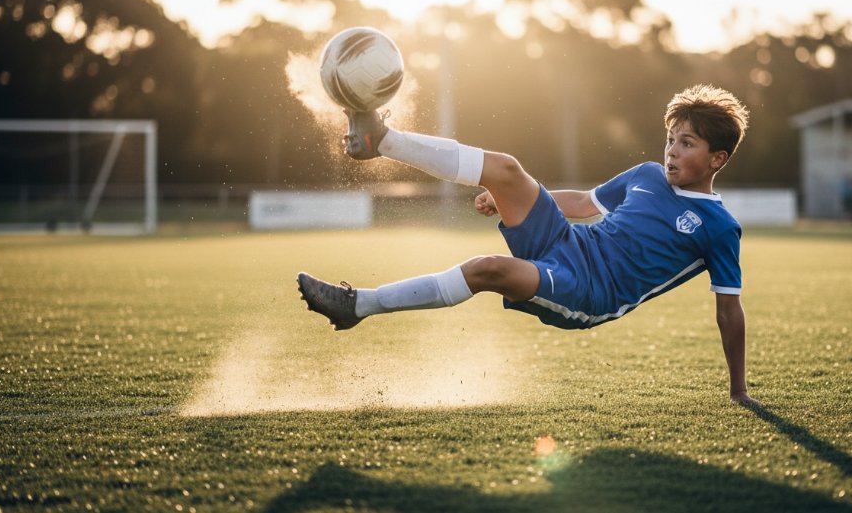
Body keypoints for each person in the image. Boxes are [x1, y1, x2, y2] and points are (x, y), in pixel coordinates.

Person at [297, 84, 759, 405]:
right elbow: (581, 202)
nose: (672, 151)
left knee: (489, 269)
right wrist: (503, 198)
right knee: (506, 169)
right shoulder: (646, 176)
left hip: (589, 290)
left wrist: (737, 389)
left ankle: (357, 306)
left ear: (717, 158)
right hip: (567, 241)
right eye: (670, 140)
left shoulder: (719, 227)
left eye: (687, 144)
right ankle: (384, 140)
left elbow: (728, 310)